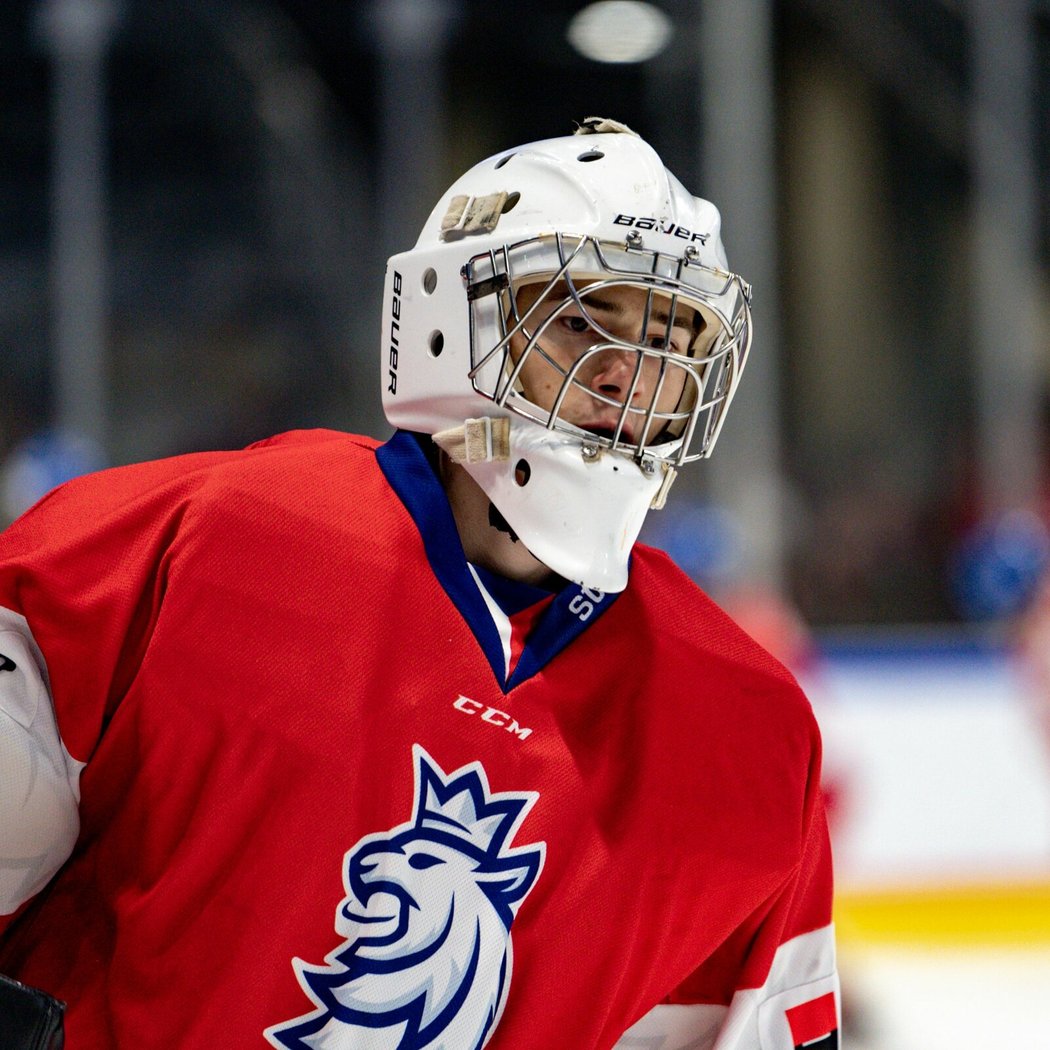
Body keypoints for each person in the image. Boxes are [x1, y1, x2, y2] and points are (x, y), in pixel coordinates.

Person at [0, 118, 839, 1049]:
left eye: (675, 338)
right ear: (451, 319)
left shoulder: (747, 729)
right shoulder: (196, 542)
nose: (632, 376)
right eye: (581, 318)